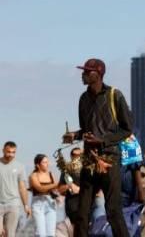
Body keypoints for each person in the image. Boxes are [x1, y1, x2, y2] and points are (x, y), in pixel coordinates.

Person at [62, 58, 133, 237]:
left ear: (98, 74)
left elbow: (127, 129)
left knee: (113, 210)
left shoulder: (115, 95)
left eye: (87, 71)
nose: (83, 74)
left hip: (109, 159)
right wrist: (75, 136)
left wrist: (102, 140)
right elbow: (87, 130)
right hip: (89, 159)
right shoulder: (83, 99)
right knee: (82, 213)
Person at [0, 141, 31, 237]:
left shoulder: (20, 167)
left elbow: (22, 187)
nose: (11, 154)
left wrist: (26, 205)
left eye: (13, 152)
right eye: (8, 152)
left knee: (10, 234)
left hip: (13, 204)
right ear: (3, 150)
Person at [30, 154, 59, 237]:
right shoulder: (33, 176)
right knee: (40, 233)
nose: (47, 164)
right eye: (44, 162)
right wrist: (56, 184)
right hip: (38, 203)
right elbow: (40, 188)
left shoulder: (51, 174)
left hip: (50, 203)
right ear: (38, 165)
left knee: (51, 233)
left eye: (47, 162)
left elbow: (56, 189)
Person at [57, 147, 83, 226]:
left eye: (80, 155)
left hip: (87, 204)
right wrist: (69, 186)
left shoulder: (88, 169)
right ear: (71, 156)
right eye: (75, 155)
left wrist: (80, 190)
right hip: (72, 206)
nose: (77, 157)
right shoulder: (66, 171)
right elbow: (60, 190)